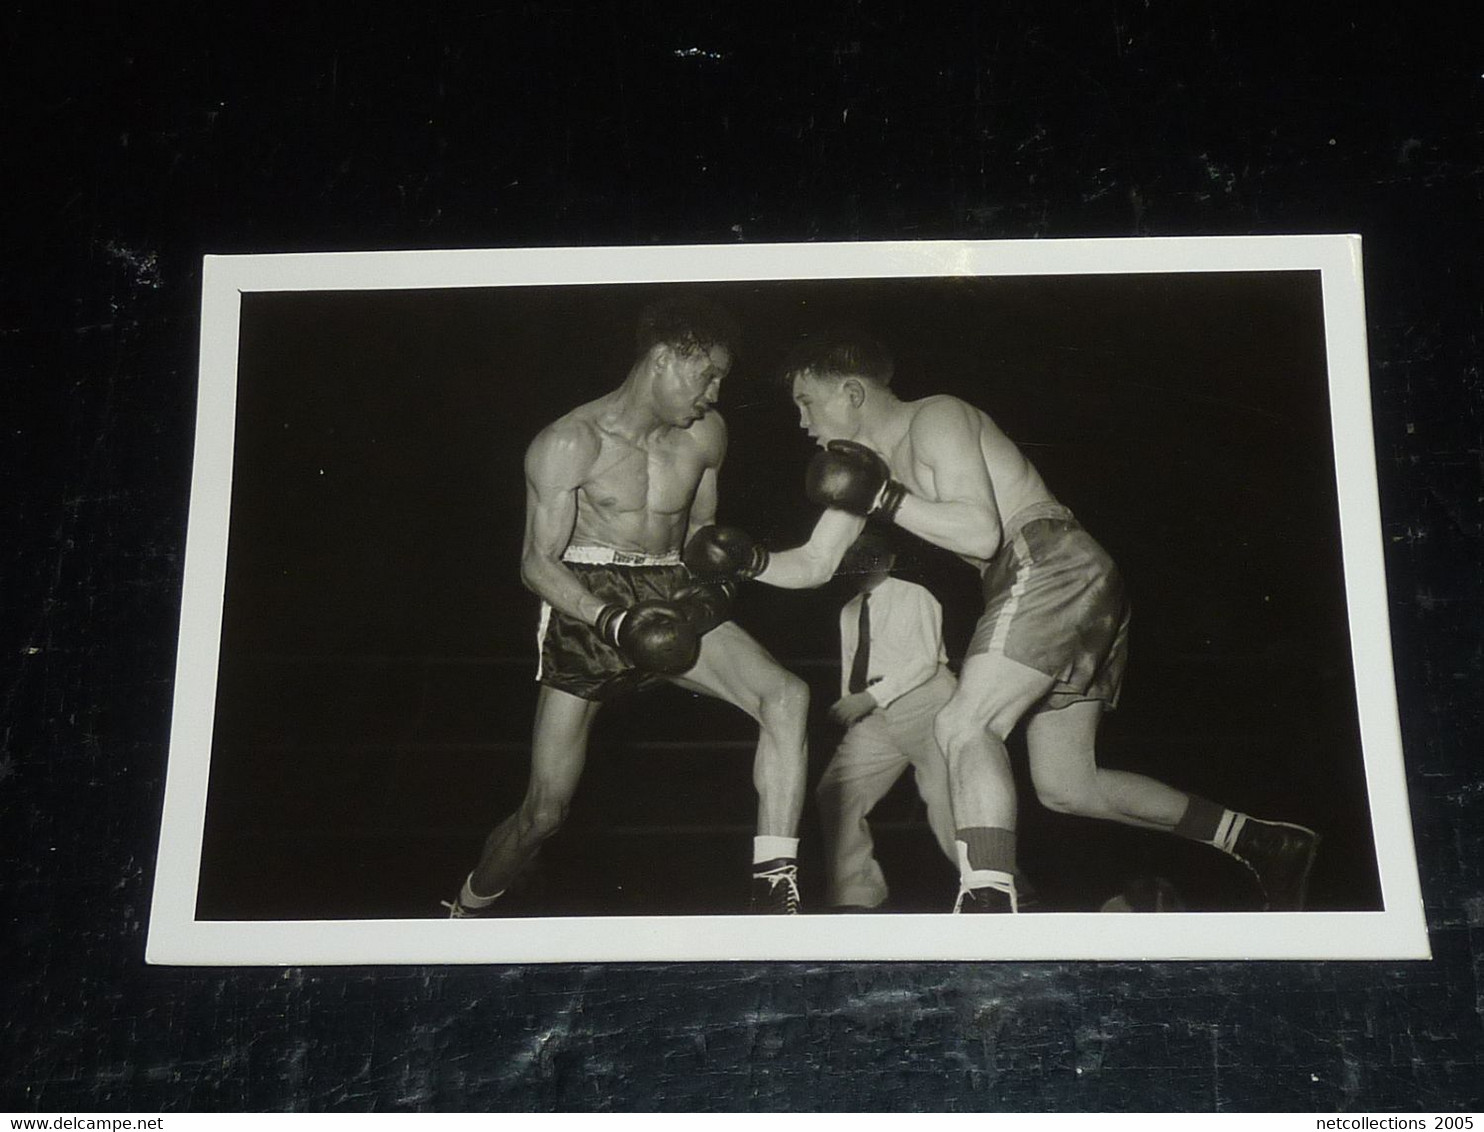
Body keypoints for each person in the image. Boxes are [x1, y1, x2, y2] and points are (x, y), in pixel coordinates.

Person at [684, 328, 1320, 914]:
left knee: (964, 722)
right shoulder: (868, 469)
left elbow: (981, 531)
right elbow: (818, 565)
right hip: (1054, 580)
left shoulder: (936, 417)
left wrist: (883, 498)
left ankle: (989, 899)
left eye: (807, 403)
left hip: (1047, 558)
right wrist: (750, 560)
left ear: (850, 392)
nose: (803, 424)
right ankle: (1259, 840)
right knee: (1070, 786)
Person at [444, 298, 810, 917]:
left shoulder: (706, 435)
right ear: (664, 360)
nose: (715, 393)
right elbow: (537, 564)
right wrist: (613, 620)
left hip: (671, 589)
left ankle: (773, 884)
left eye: (720, 379)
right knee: (544, 813)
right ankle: (465, 909)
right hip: (590, 603)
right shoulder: (569, 442)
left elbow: (702, 534)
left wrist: (713, 582)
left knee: (787, 696)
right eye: (708, 375)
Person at [816, 526, 958, 910]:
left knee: (949, 801)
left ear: (890, 560)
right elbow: (853, 662)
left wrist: (866, 698)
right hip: (874, 713)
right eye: (853, 554)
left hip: (926, 702)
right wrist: (851, 703)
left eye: (872, 554)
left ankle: (994, 886)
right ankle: (855, 895)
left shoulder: (914, 595)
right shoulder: (849, 610)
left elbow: (926, 660)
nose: (861, 562)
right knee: (836, 793)